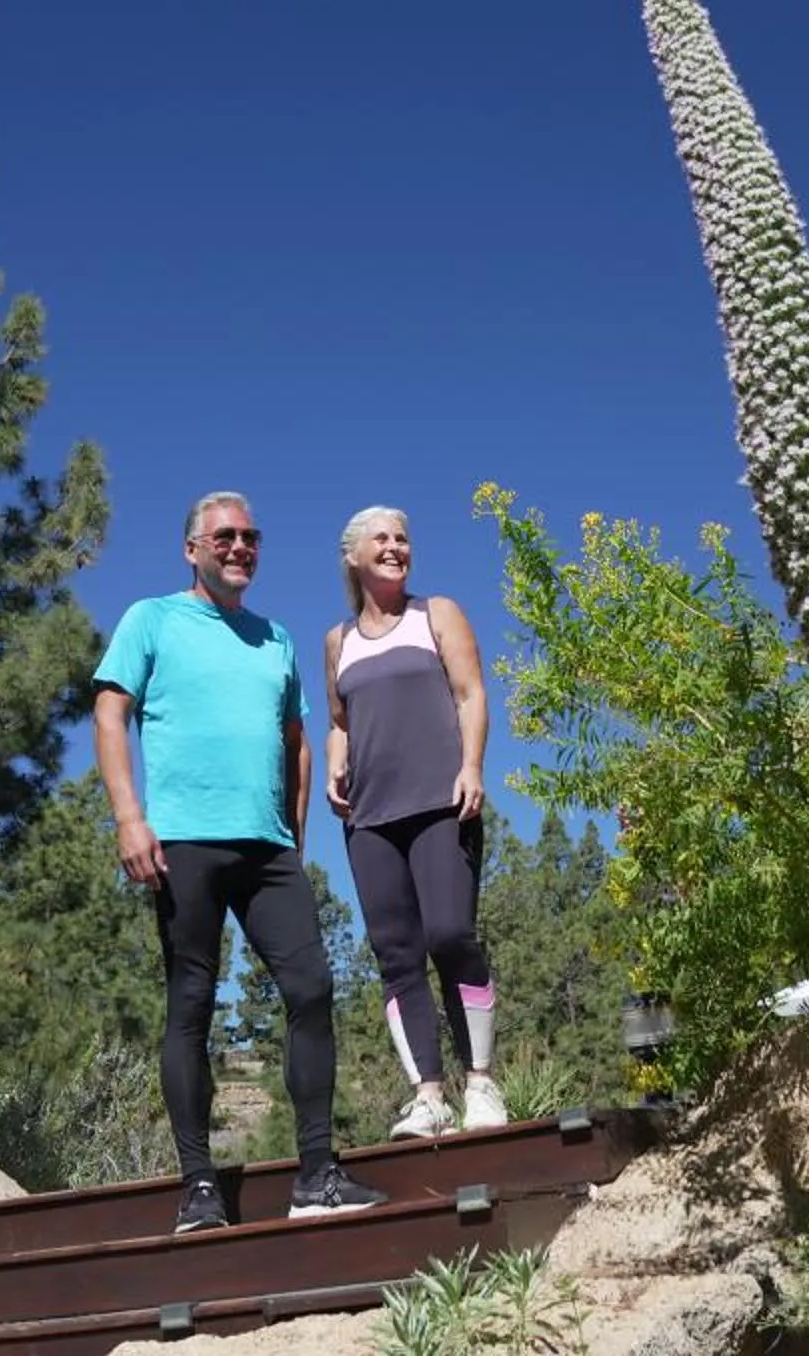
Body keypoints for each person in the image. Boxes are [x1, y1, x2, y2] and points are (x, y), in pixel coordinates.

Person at [93, 492, 388, 1230]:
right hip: (183, 842)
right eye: (224, 536)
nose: (239, 546)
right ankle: (198, 1188)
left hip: (268, 848)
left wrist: (294, 836)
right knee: (190, 1005)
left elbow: (296, 740)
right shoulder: (151, 619)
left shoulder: (276, 639)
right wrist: (130, 818)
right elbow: (109, 713)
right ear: (192, 548)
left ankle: (316, 1176)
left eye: (251, 536)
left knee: (313, 987)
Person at [324, 506, 507, 1140]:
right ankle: (428, 1096)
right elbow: (340, 721)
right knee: (396, 954)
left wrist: (473, 765)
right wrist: (334, 767)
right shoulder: (337, 641)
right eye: (383, 538)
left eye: (404, 537)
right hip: (370, 819)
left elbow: (470, 694)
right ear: (353, 556)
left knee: (451, 934)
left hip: (441, 801)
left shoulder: (438, 615)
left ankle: (481, 1081)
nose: (397, 546)